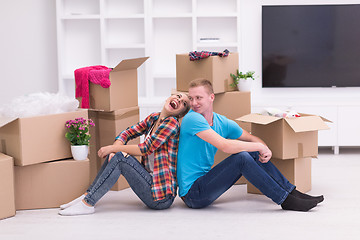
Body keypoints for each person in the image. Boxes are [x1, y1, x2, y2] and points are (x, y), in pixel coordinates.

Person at [177, 78, 324, 211]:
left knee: (251, 153)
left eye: (198, 98)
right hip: (192, 195)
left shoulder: (222, 122)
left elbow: (250, 138)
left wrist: (264, 148)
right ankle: (285, 200)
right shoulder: (192, 119)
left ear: (211, 97)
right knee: (241, 158)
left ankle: (292, 192)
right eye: (191, 98)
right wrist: (260, 147)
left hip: (205, 182)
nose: (194, 103)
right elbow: (226, 146)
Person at [59, 93, 190, 216]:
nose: (179, 100)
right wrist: (116, 148)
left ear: (180, 113)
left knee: (120, 157)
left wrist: (112, 149)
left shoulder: (172, 123)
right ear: (169, 97)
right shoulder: (154, 118)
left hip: (161, 197)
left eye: (183, 103)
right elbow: (127, 132)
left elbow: (146, 148)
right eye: (178, 96)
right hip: (150, 183)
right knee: (118, 155)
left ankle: (88, 203)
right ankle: (87, 195)